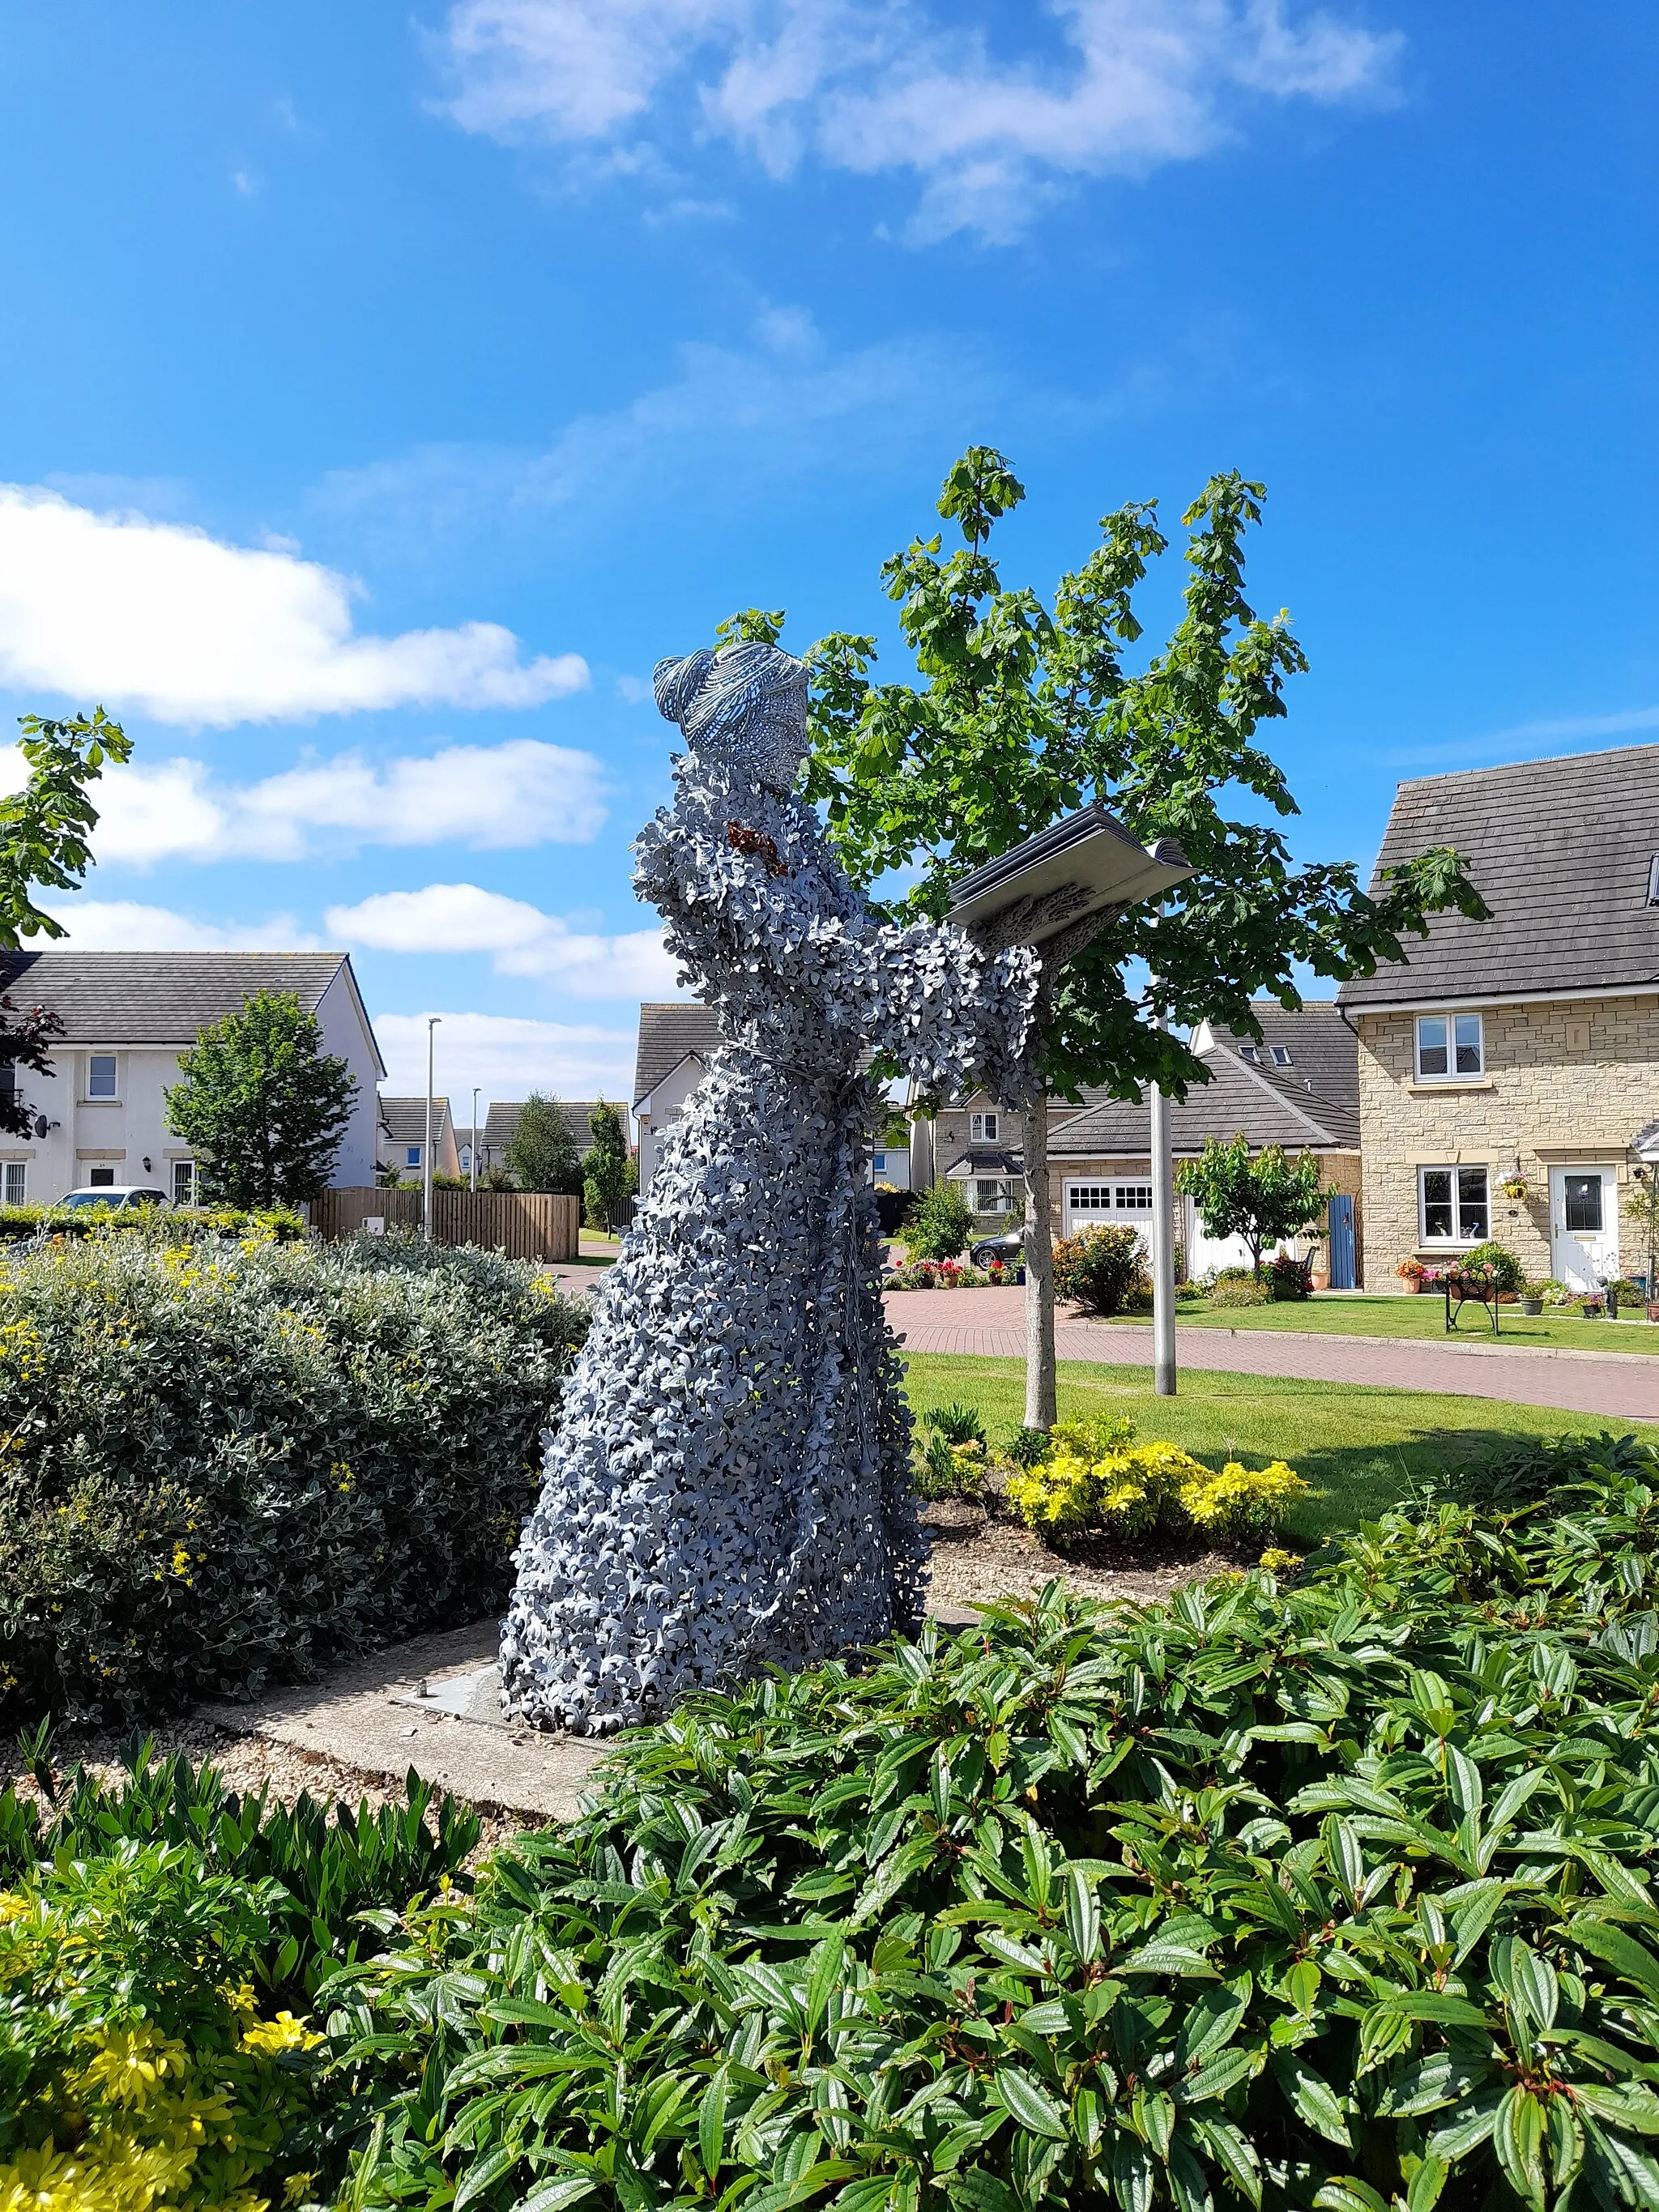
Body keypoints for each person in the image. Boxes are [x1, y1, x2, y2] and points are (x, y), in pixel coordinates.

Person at [500, 640, 1038, 1732]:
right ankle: (649, 1627)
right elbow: (821, 959)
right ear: (735, 725)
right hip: (746, 1150)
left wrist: (990, 955)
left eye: (801, 714)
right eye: (787, 714)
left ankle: (806, 1617)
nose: (803, 734)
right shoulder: (683, 839)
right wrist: (963, 980)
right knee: (701, 1386)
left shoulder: (812, 840)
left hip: (819, 1151)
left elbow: (867, 949)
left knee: (810, 1379)